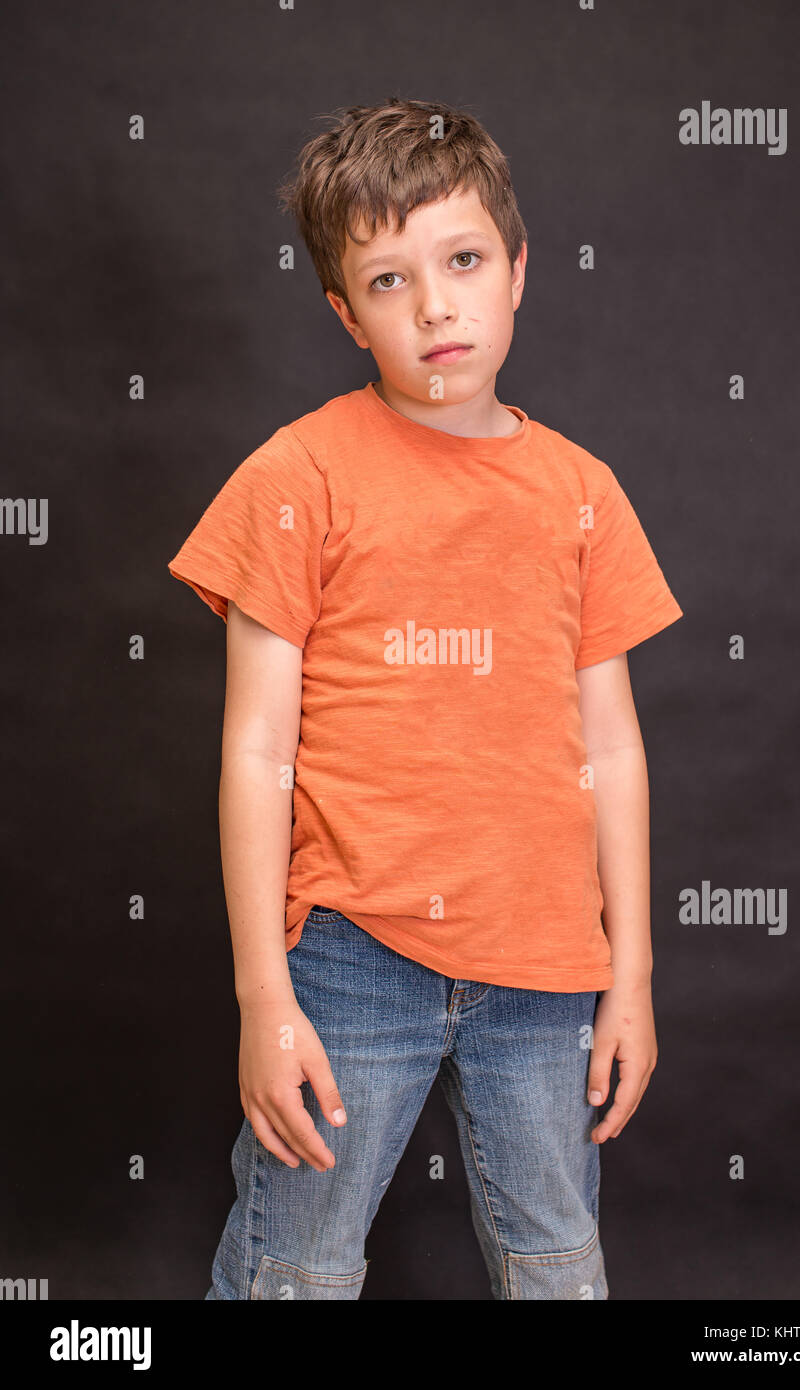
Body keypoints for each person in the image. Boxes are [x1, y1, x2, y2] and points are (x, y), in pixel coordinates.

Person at [167, 96, 684, 1300]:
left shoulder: (582, 491)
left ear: (518, 271)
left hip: (548, 963)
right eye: (390, 281)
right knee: (295, 1262)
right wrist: (264, 993)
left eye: (462, 262)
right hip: (352, 953)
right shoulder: (297, 477)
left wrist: (634, 977)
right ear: (347, 315)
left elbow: (613, 740)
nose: (437, 305)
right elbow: (256, 749)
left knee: (559, 1262)